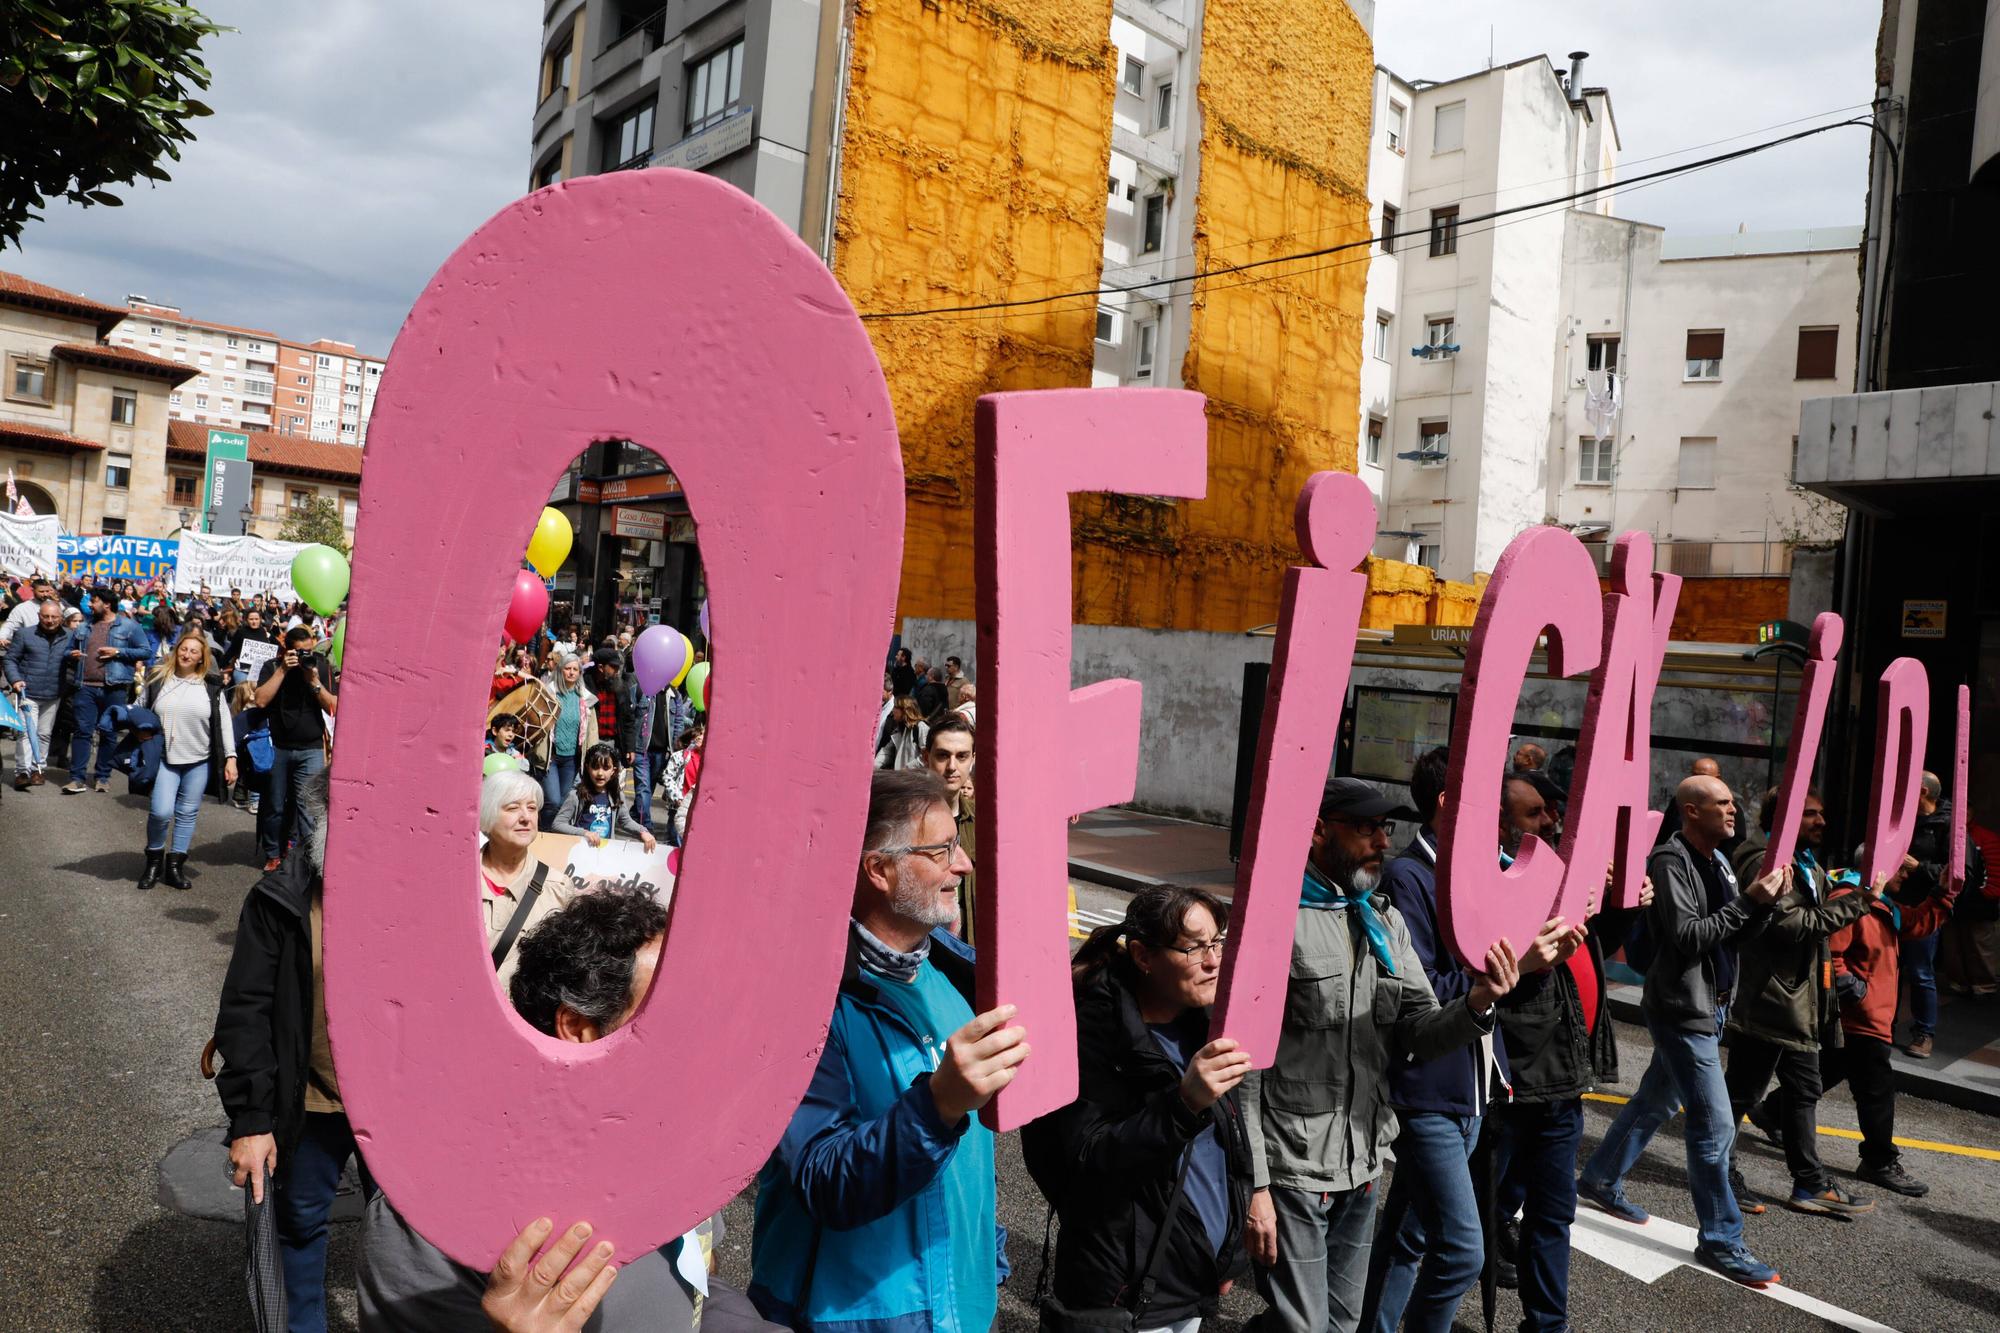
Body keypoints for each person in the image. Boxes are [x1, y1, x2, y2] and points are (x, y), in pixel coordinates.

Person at [357, 885, 765, 1333]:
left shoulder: (675, 1141)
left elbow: (695, 1287)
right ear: (578, 1029)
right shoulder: (429, 1211)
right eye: (673, 1014)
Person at [750, 770, 1030, 1333]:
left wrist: (988, 1257)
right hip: (855, 1318)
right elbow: (823, 1178)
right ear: (879, 869)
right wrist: (939, 1103)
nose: (964, 865)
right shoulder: (804, 1001)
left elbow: (974, 1158)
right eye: (943, 850)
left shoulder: (955, 977)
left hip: (965, 1307)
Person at [1239, 777, 1520, 1333]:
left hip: (1363, 1160)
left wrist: (1478, 1001)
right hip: (1292, 1164)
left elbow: (1418, 1030)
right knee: (1308, 1327)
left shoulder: (1383, 921)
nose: (1382, 843)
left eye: (1384, 829)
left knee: (1342, 1325)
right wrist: (1256, 1185)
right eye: (1366, 828)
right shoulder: (1273, 920)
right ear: (1319, 830)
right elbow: (1243, 1068)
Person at [1577, 775, 1785, 1288]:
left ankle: (1601, 1178)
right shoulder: (1671, 862)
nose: (1733, 810)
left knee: (1656, 1101)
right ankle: (1721, 1239)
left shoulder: (1717, 861)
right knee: (1714, 1127)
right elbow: (1689, 936)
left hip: (1710, 1006)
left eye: (1734, 802)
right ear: (1691, 811)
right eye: (1722, 803)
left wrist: (1762, 903)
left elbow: (1736, 934)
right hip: (1680, 1008)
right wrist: (1749, 901)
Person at [1021, 886, 1253, 1331]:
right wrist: (1184, 1103)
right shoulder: (1091, 1032)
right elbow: (1090, 1162)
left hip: (1188, 1278)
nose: (1213, 960)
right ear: (1144, 956)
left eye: (1218, 941)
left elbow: (1225, 1146)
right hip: (1126, 1292)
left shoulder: (1203, 1022)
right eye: (1194, 948)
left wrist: (1225, 1255)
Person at [1361, 751, 1516, 1333]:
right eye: (1489, 801)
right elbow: (1420, 988)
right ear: (1450, 803)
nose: (1500, 816)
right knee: (1462, 1252)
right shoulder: (1409, 876)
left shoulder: (1477, 872)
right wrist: (1502, 972)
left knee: (1409, 1234)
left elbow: (1508, 988)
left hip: (1471, 1084)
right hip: (1427, 1087)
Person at [213, 772, 371, 1333]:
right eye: (350, 810)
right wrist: (252, 1120)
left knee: (409, 1238)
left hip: (401, 1113)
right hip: (312, 1102)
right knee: (300, 1226)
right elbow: (246, 1011)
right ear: (322, 815)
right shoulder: (281, 900)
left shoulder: (426, 897)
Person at [1720, 788, 1878, 1216]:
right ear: (1786, 819)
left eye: (1821, 813)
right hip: (1769, 1000)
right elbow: (1790, 925)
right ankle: (1722, 1174)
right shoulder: (1765, 861)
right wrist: (1858, 903)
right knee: (1742, 1092)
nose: (1821, 821)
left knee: (1804, 1088)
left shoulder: (1806, 863)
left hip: (1798, 1000)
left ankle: (1808, 1183)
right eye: (1811, 815)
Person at [1763, 850, 1951, 1197]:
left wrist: (1943, 894)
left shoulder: (1882, 905)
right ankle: (1878, 1160)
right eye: (1898, 867)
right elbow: (1830, 955)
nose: (1905, 875)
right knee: (1876, 1089)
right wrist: (1858, 995)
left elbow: (1916, 922)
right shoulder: (1850, 897)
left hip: (1868, 1015)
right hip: (1862, 1017)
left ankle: (1771, 1111)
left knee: (1833, 1068)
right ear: (1877, 868)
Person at [135, 631, 237, 890]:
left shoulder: (211, 685)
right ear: (176, 650)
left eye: (194, 651)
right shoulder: (158, 678)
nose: (187, 654)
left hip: (199, 760)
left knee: (187, 813)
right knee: (160, 812)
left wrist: (231, 758)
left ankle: (174, 867)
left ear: (202, 657)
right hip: (165, 758)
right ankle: (153, 863)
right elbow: (137, 709)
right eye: (184, 649)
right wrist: (140, 729)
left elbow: (224, 723)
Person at [1898, 772, 1979, 1058]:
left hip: (1924, 907)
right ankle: (1883, 1024)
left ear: (1922, 792)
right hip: (1894, 901)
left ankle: (1924, 1032)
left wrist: (1918, 866)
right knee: (1888, 967)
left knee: (1920, 971)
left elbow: (1959, 875)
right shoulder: (1902, 817)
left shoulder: (1949, 826)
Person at [479, 767, 576, 990]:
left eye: (532, 808)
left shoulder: (558, 888)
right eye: (513, 808)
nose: (525, 817)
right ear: (487, 816)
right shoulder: (458, 884)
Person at [254, 626, 338, 872]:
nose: (305, 656)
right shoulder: (272, 666)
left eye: (309, 651)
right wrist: (283, 670)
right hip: (278, 747)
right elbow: (260, 700)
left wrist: (312, 680)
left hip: (310, 747)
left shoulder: (319, 666)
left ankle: (307, 860)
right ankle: (272, 853)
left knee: (308, 807)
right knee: (275, 805)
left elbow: (332, 706)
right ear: (286, 650)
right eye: (300, 652)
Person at [62, 593, 151, 793]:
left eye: (93, 601)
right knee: (82, 732)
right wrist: (72, 654)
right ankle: (77, 778)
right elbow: (67, 650)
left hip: (115, 688)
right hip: (85, 686)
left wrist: (119, 652)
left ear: (107, 604)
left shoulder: (129, 626)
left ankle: (103, 776)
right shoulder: (84, 626)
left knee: (109, 734)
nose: (89, 604)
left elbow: (145, 651)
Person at [923, 716, 978, 943]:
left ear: (972, 760)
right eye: (943, 755)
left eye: (962, 756)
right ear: (926, 758)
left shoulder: (985, 823)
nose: (952, 766)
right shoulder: (906, 819)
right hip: (920, 953)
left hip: (968, 952)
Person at [5, 599, 68, 790]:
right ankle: (22, 772)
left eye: (54, 617)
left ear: (61, 618)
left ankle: (38, 769)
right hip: (28, 692)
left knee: (44, 734)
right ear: (39, 616)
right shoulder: (24, 634)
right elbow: (10, 659)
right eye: (46, 616)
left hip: (54, 693)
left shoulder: (70, 636)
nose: (49, 620)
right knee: (26, 733)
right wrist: (15, 680)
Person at [553, 741, 657, 852]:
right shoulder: (577, 795)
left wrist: (643, 832)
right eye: (595, 767)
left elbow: (625, 821)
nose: (600, 773)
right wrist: (584, 833)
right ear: (587, 768)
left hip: (605, 854)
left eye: (606, 768)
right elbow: (557, 824)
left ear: (613, 770)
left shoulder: (616, 795)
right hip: (581, 851)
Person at [538, 653, 597, 826]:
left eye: (575, 669)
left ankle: (553, 834)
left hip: (571, 759)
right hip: (551, 757)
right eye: (567, 668)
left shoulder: (586, 699)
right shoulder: (549, 694)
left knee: (563, 802)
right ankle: (544, 833)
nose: (571, 673)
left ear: (580, 673)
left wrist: (591, 757)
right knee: (553, 800)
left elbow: (591, 732)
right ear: (560, 670)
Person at [874, 695, 929, 770]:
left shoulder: (921, 727)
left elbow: (927, 756)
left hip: (914, 778)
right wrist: (873, 766)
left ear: (905, 710)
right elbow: (886, 752)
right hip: (901, 778)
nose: (893, 711)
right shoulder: (898, 730)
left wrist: (906, 769)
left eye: (895, 708)